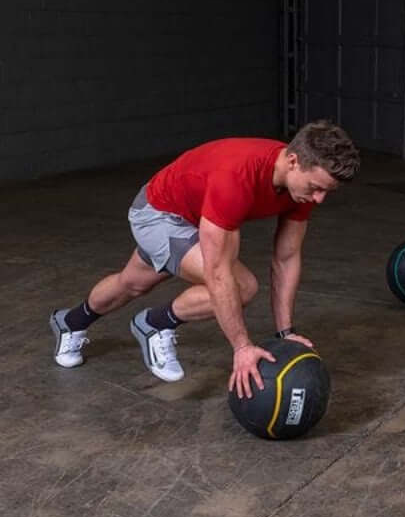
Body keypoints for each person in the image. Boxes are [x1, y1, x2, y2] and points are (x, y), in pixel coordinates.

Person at [49, 119, 359, 398]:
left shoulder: (300, 188)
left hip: (197, 217)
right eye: (317, 188)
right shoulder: (237, 177)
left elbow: (287, 258)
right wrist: (242, 347)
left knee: (131, 284)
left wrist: (285, 333)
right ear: (294, 161)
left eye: (326, 192)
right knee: (242, 286)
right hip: (158, 214)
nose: (319, 199)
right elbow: (218, 272)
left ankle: (70, 322)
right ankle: (155, 324)